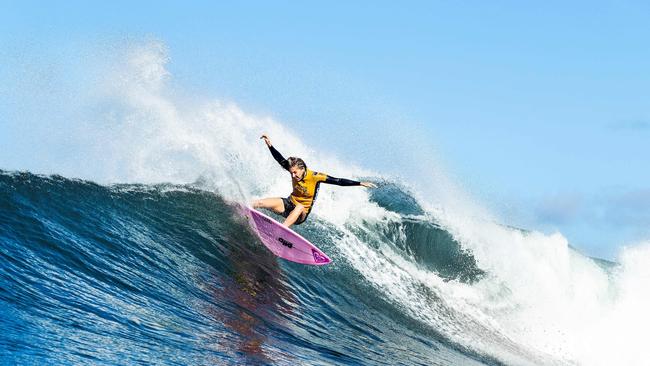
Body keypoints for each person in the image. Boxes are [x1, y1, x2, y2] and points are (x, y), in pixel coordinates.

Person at [252, 135, 376, 227]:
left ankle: (282, 230)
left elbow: (338, 181)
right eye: (291, 173)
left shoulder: (315, 176)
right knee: (259, 203)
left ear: (302, 168)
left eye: (295, 172)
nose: (293, 175)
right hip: (288, 204)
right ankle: (244, 208)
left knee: (300, 206)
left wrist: (359, 183)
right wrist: (270, 146)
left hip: (301, 214)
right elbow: (280, 159)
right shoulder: (292, 169)